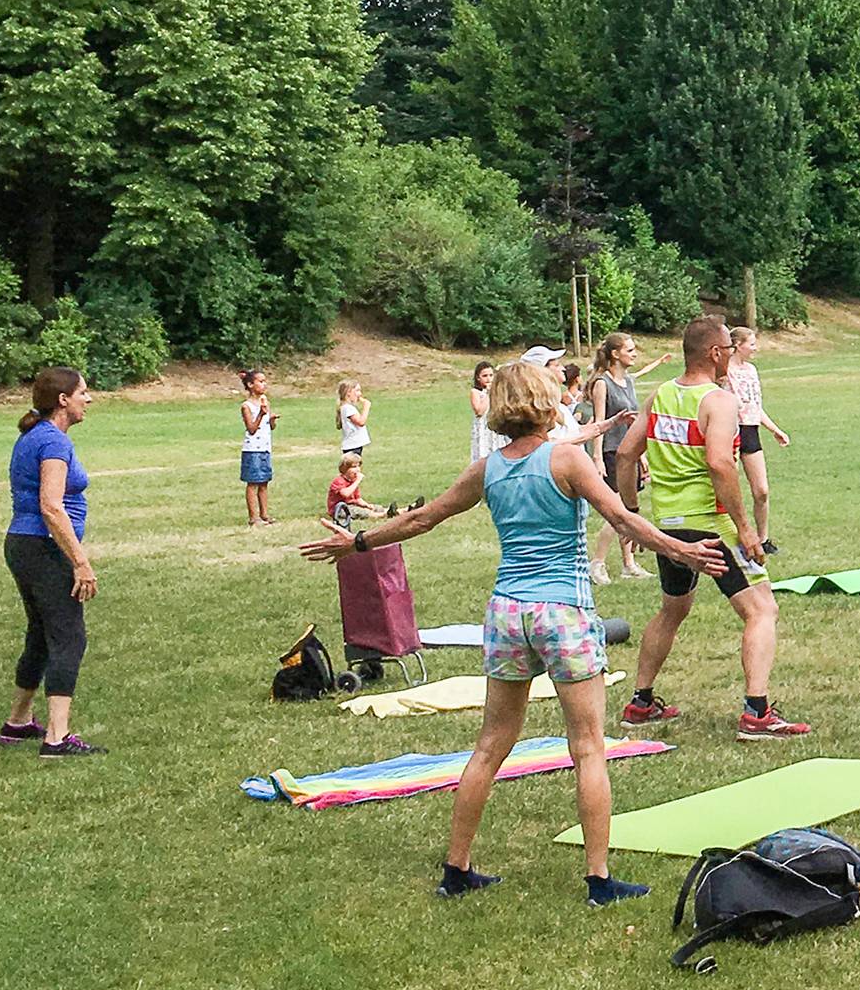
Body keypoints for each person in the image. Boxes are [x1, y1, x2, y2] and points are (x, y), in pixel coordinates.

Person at [299, 362, 728, 905]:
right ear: (547, 401)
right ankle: (599, 881)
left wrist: (358, 543)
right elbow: (623, 518)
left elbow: (422, 519)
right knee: (589, 748)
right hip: (562, 613)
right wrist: (682, 549)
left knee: (490, 744)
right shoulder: (566, 458)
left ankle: (456, 870)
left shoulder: (489, 469)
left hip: (506, 615)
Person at [612, 316, 809, 742]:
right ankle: (757, 713)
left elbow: (626, 455)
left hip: (668, 526)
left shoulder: (660, 395)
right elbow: (721, 462)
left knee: (673, 609)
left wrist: (631, 514)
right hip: (712, 526)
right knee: (761, 610)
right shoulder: (718, 401)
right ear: (716, 353)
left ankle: (640, 704)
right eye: (727, 350)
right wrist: (746, 529)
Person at [6, 367, 103, 758]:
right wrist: (80, 562)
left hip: (22, 544)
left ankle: (17, 722)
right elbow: (51, 505)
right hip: (44, 547)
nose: (89, 398)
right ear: (63, 400)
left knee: (41, 635)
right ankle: (56, 738)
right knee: (69, 636)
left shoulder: (34, 436)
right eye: (82, 392)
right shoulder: (53, 442)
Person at [588, 334, 666, 585]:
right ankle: (597, 563)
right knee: (619, 512)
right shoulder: (602, 383)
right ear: (615, 354)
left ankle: (628, 563)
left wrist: (640, 454)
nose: (634, 354)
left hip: (629, 453)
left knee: (630, 510)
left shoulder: (629, 381)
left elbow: (636, 423)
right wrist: (597, 458)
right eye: (630, 350)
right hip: (611, 453)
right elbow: (599, 424)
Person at [726, 327, 792, 555]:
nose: (755, 348)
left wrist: (775, 430)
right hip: (728, 433)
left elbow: (755, 406)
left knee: (761, 491)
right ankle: (732, 538)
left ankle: (763, 539)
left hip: (751, 431)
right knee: (728, 492)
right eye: (751, 344)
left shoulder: (752, 371)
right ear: (737, 344)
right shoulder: (724, 372)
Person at [239, 368, 279, 526]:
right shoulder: (246, 406)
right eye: (260, 381)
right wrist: (261, 415)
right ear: (250, 384)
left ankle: (264, 514)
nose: (264, 384)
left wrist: (272, 419)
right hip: (252, 449)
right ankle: (253, 517)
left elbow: (270, 426)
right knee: (253, 483)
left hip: (265, 448)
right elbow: (252, 429)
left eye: (264, 381)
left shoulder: (265, 401)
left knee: (264, 482)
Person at [328, 454, 391, 524]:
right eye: (354, 467)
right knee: (360, 512)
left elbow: (357, 499)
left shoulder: (353, 481)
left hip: (353, 505)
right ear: (344, 469)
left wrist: (367, 505)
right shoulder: (339, 481)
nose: (357, 469)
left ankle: (394, 511)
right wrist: (357, 481)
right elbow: (345, 494)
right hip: (340, 509)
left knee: (376, 508)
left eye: (358, 466)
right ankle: (383, 515)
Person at [465, 362, 500, 465]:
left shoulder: (497, 391)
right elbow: (479, 411)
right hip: (483, 427)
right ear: (478, 378)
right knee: (483, 450)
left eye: (491, 375)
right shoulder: (475, 392)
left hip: (494, 425)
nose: (488, 379)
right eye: (484, 376)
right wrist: (488, 394)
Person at [337, 380, 372, 463]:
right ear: (348, 393)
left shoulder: (348, 407)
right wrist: (366, 407)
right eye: (357, 390)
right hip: (352, 446)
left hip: (355, 445)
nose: (360, 394)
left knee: (355, 468)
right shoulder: (347, 408)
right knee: (352, 468)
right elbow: (361, 422)